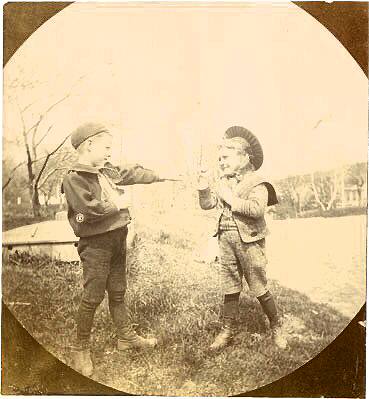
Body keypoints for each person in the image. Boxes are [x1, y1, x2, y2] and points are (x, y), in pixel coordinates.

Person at [62, 122, 178, 376]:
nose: (109, 153)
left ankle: (126, 338)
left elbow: (133, 173)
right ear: (89, 145)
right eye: (106, 147)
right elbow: (86, 212)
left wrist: (161, 175)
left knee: (117, 291)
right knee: (93, 296)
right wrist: (117, 203)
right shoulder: (74, 177)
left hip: (117, 238)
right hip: (96, 245)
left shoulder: (106, 171)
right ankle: (80, 348)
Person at [197, 125, 287, 351]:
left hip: (250, 242)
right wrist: (203, 187)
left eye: (226, 157)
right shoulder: (223, 183)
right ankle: (228, 329)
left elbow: (257, 210)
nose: (221, 162)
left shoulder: (258, 183)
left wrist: (231, 199)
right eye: (219, 158)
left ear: (245, 158)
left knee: (258, 284)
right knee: (229, 285)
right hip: (225, 240)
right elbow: (207, 205)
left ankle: (276, 324)